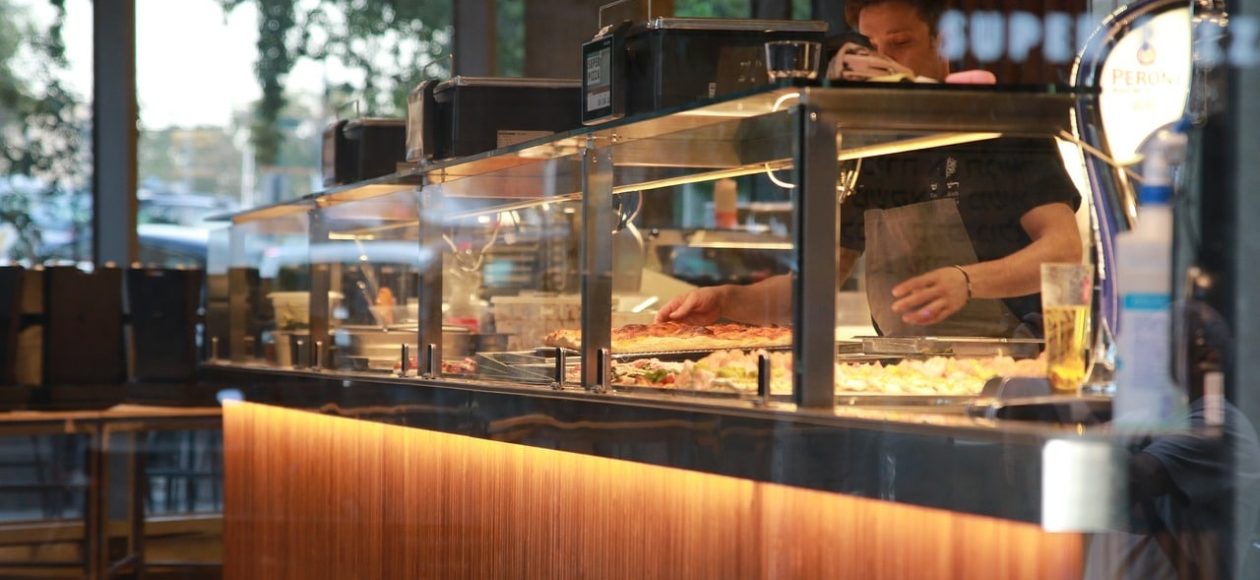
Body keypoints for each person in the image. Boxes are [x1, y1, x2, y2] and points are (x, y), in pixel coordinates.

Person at [655, 0, 1083, 338]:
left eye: (899, 44)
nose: (881, 64)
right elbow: (814, 286)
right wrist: (726, 299)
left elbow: (1064, 251)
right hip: (905, 375)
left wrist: (967, 281)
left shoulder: (1000, 126)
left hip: (1013, 369)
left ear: (944, 41)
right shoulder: (871, 152)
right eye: (868, 49)